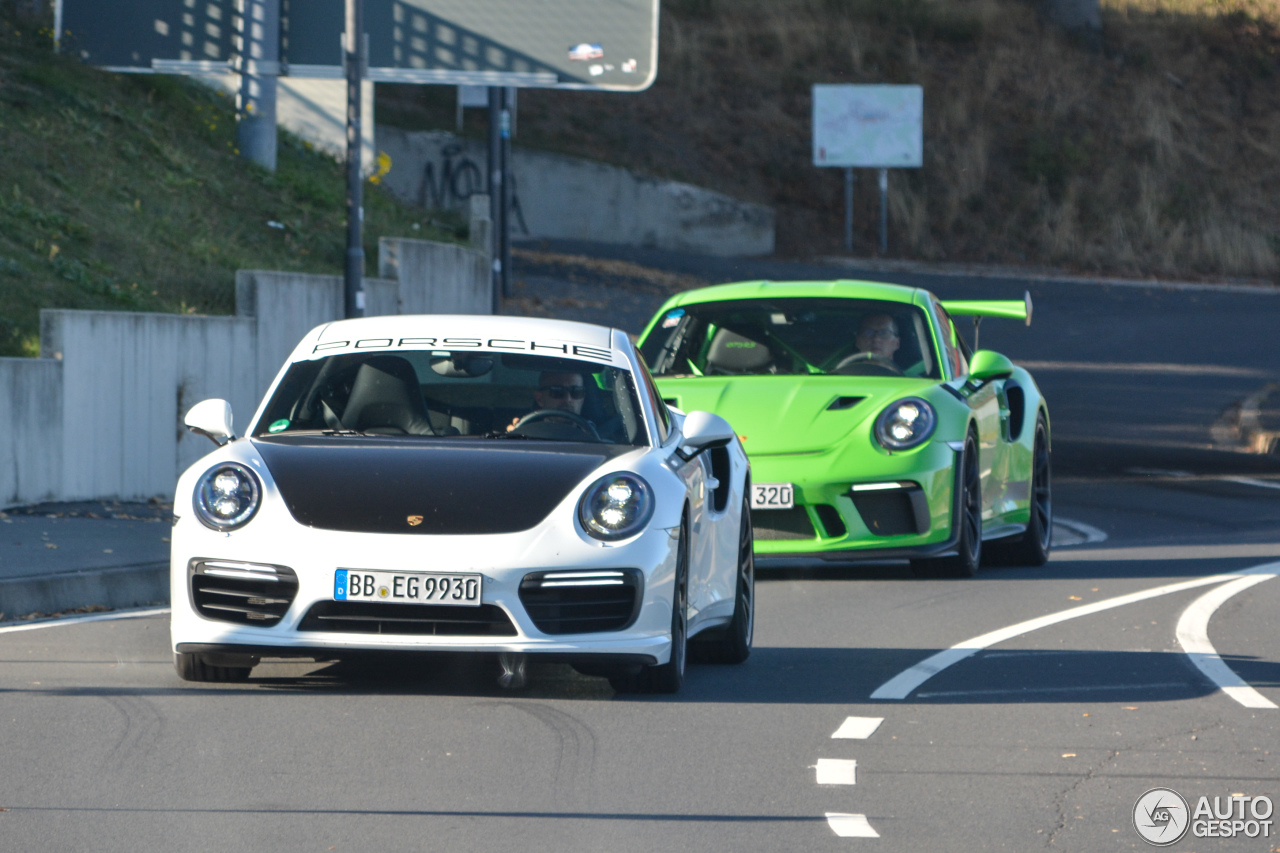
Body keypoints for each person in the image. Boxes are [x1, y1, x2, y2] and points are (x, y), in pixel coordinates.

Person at [508, 372, 588, 432]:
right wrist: (514, 439)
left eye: (577, 392)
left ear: (583, 398)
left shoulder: (597, 440)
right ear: (540, 398)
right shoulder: (525, 433)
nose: (568, 399)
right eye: (557, 392)